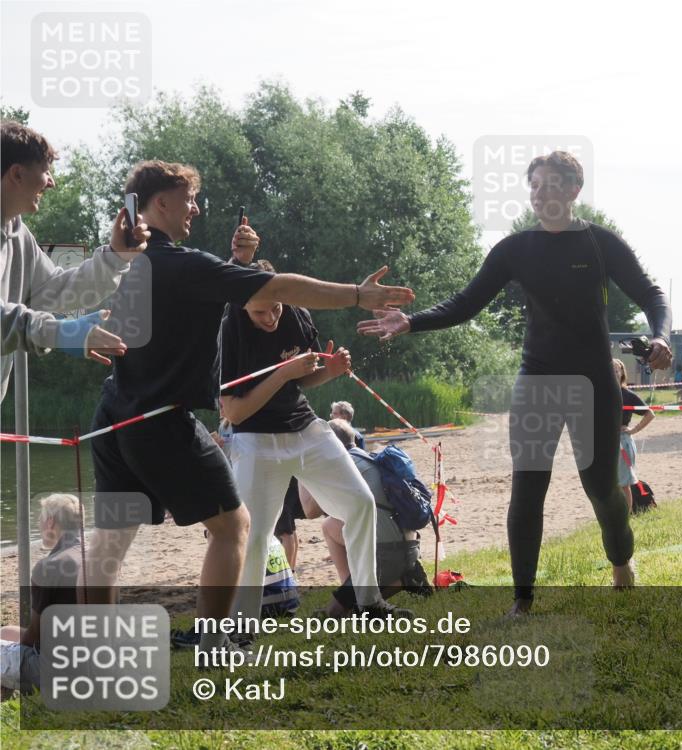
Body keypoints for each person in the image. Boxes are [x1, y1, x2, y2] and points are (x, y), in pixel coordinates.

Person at [82, 160, 415, 652]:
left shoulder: (126, 261)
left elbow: (179, 293)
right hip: (161, 418)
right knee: (235, 526)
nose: (196, 209)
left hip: (115, 412)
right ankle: (217, 640)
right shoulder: (181, 265)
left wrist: (237, 261)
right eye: (188, 199)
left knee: (111, 538)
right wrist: (355, 295)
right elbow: (275, 287)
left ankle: (93, 650)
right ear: (161, 203)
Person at [358, 151, 671, 615]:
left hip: (593, 381)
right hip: (537, 380)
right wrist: (411, 322)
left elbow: (651, 294)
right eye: (534, 186)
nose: (540, 195)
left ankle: (622, 563)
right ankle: (522, 600)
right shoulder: (515, 249)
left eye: (551, 185)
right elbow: (466, 303)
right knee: (527, 489)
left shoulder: (600, 243)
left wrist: (661, 336)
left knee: (602, 488)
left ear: (574, 190)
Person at [219, 259, 409, 624]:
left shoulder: (297, 314)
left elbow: (302, 378)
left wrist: (330, 371)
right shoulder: (229, 330)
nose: (271, 317)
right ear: (243, 304)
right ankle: (243, 624)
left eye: (277, 307)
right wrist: (282, 374)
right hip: (255, 439)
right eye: (260, 311)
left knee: (360, 504)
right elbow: (235, 412)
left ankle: (369, 602)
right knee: (256, 533)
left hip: (305, 429)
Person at [1, 120, 150, 401]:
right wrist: (59, 333)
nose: (51, 182)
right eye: (45, 171)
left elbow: (55, 289)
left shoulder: (18, 234)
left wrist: (116, 257)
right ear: (17, 174)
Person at [308, 418, 429, 617]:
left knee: (336, 613)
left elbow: (310, 510)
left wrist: (303, 463)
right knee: (330, 525)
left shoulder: (344, 466)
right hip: (409, 546)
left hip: (387, 554)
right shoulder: (369, 458)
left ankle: (404, 580)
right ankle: (395, 579)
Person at [0, 494, 82, 694]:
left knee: (8, 652)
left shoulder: (49, 567)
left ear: (50, 521)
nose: (39, 525)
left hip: (61, 672)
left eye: (40, 519)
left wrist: (17, 650)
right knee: (5, 633)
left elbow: (34, 635)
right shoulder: (100, 558)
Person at [612, 358, 654, 513]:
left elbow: (650, 414)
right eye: (610, 369)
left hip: (622, 443)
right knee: (610, 485)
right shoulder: (601, 393)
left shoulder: (628, 395)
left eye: (616, 369)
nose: (613, 372)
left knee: (624, 484)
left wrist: (634, 430)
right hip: (605, 443)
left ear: (622, 373)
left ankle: (626, 517)